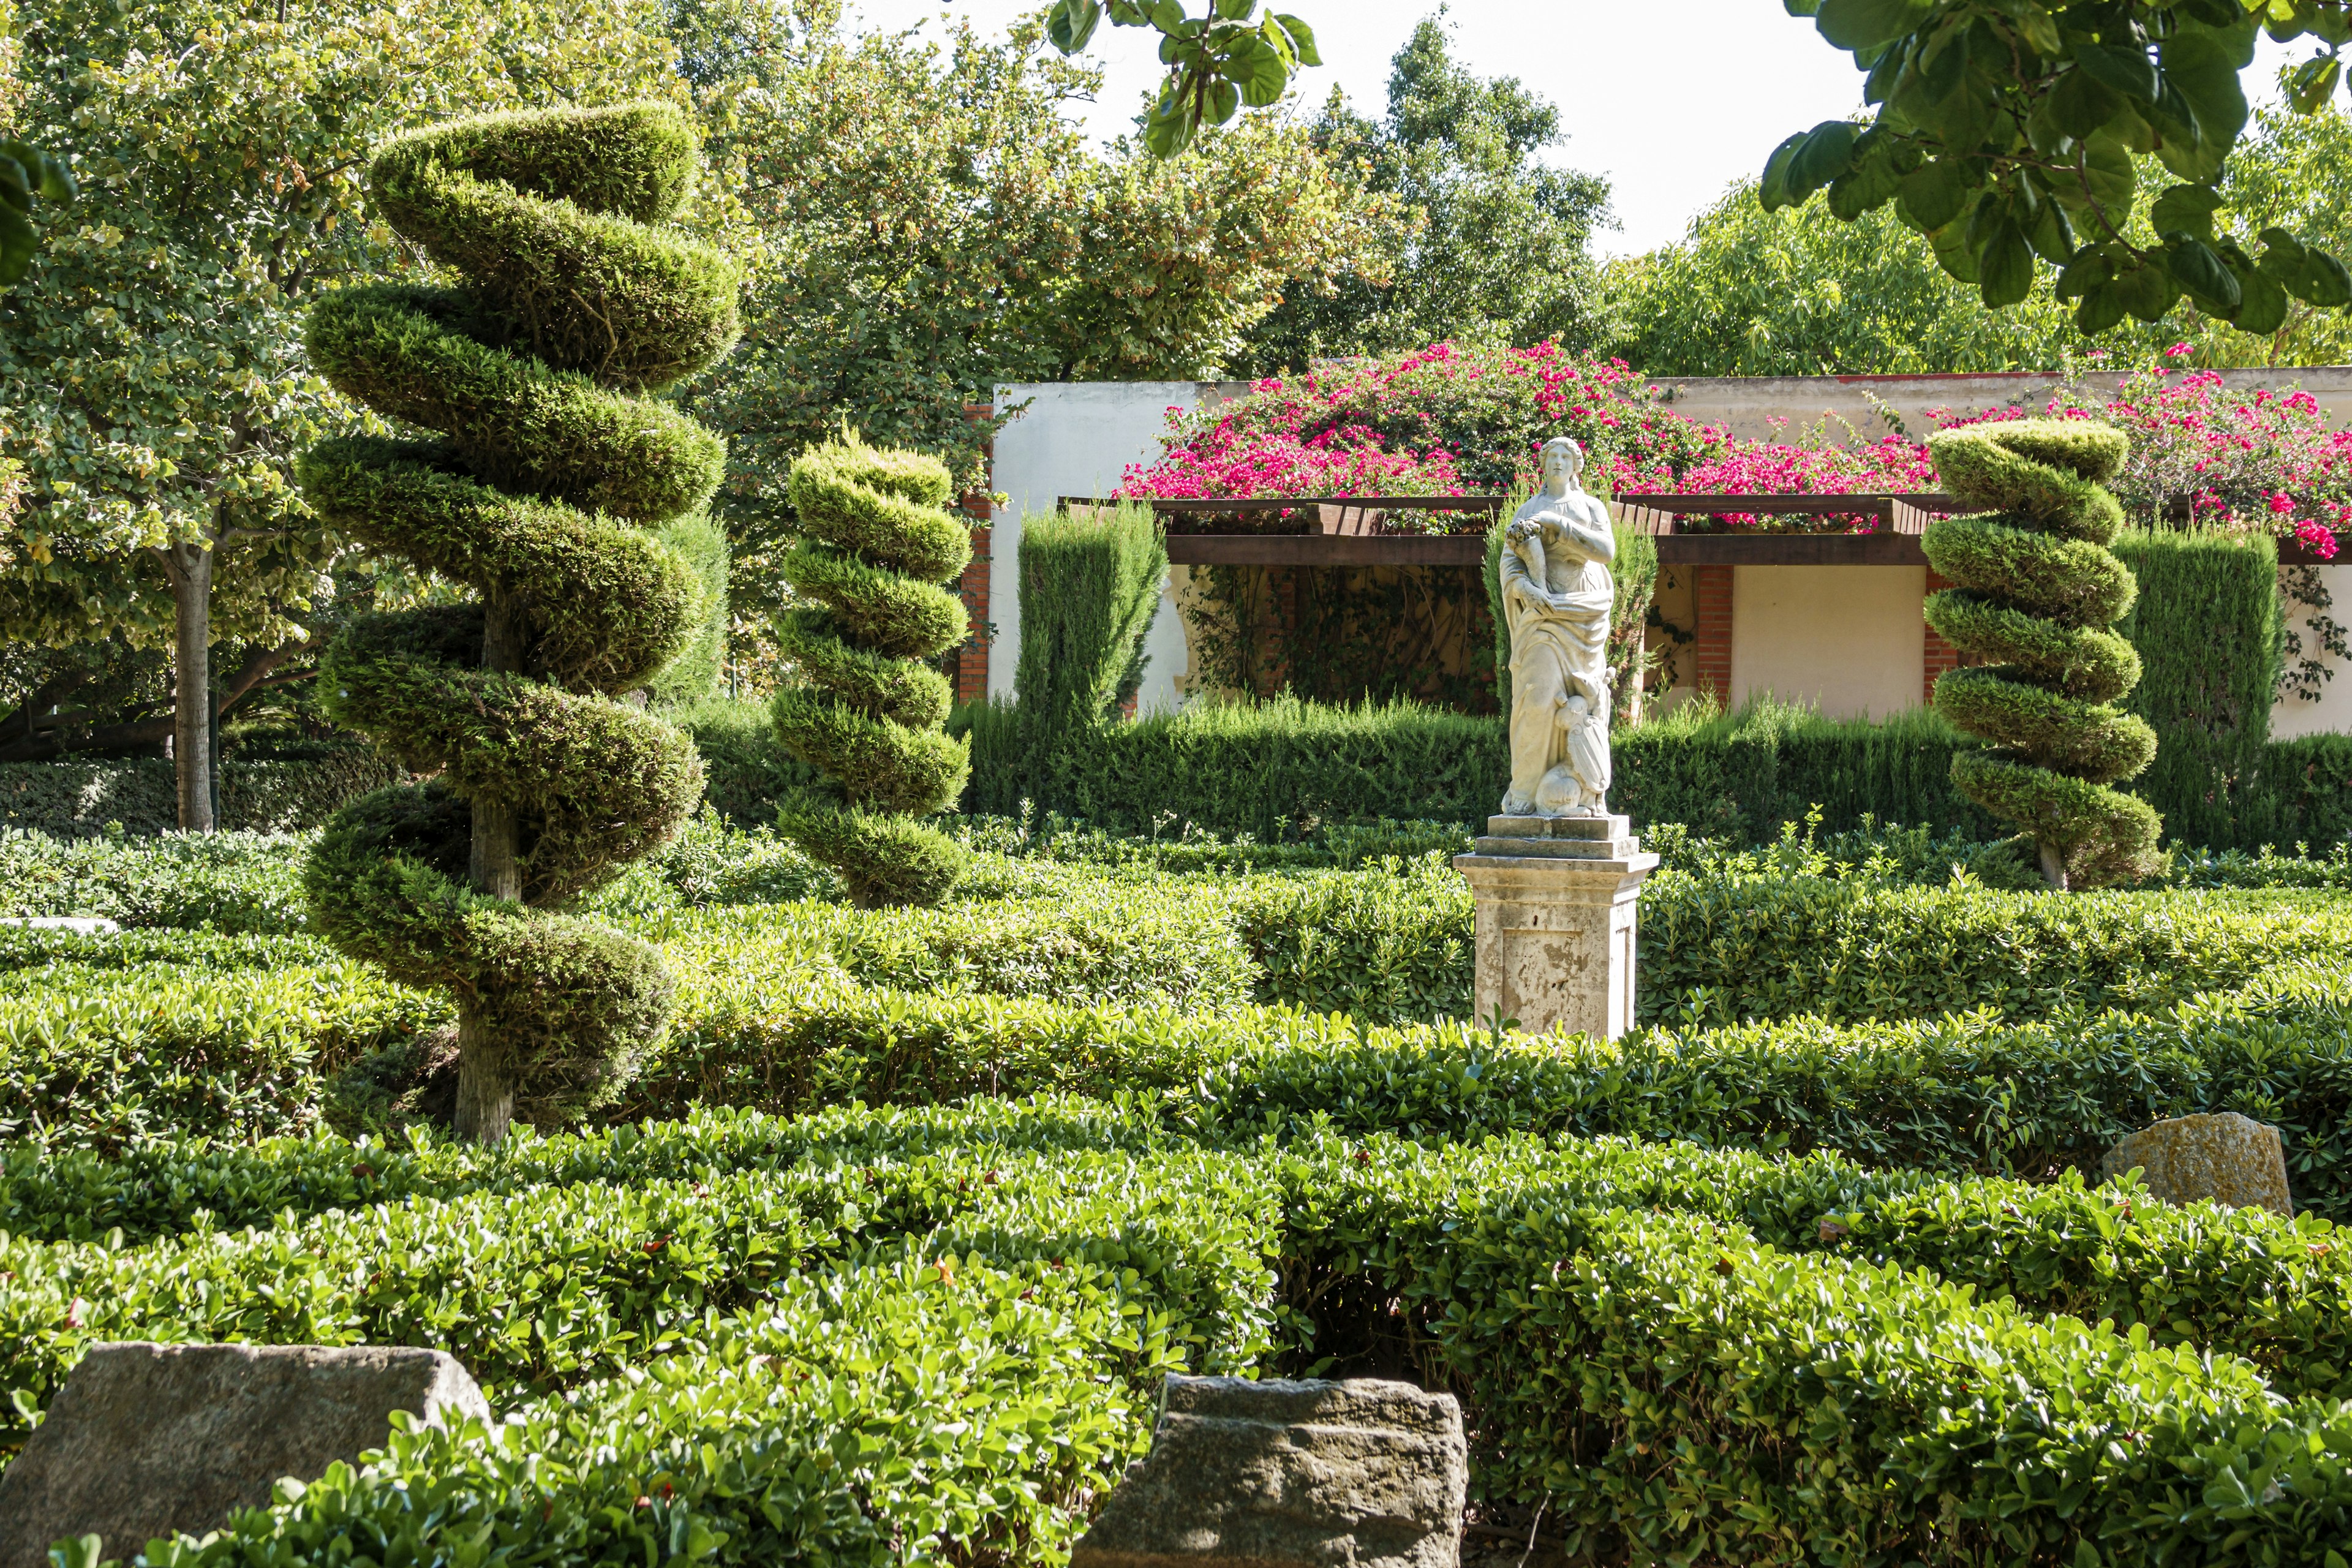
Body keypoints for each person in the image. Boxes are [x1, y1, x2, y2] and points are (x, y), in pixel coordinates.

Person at [1499, 436, 1615, 816]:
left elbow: (1605, 552)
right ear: (1544, 464)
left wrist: (1558, 525)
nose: (1559, 462)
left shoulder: (1591, 507)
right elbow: (1510, 561)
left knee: (1585, 703)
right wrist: (1524, 589)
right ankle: (1526, 791)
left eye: (1567, 456)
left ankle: (1581, 791)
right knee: (1538, 696)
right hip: (1542, 616)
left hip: (1584, 613)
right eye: (1553, 456)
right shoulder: (1528, 508)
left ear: (1577, 465)